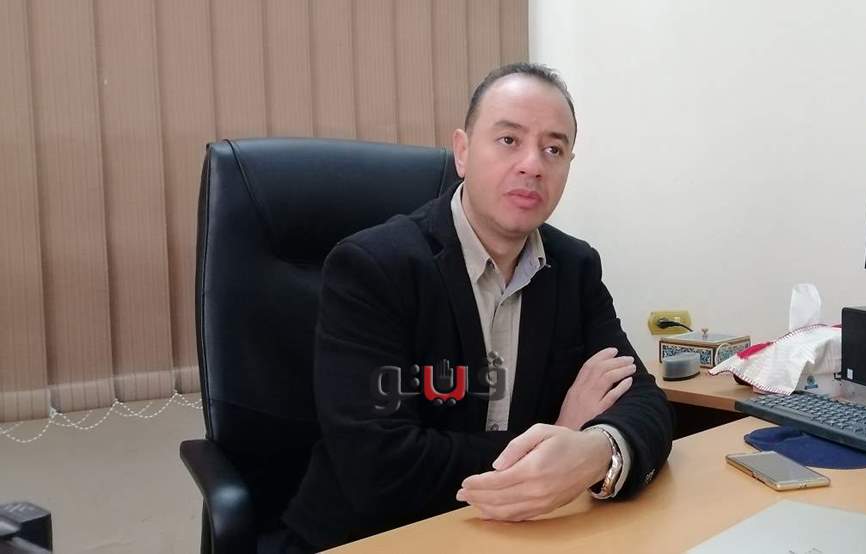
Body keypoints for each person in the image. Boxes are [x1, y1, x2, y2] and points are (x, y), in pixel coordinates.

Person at [276, 63, 674, 552]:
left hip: (521, 536)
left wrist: (596, 450)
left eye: (554, 149)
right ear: (462, 152)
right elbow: (379, 464)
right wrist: (558, 437)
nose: (533, 164)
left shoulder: (574, 268)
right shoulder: (372, 268)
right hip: (377, 537)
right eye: (509, 140)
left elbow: (644, 399)